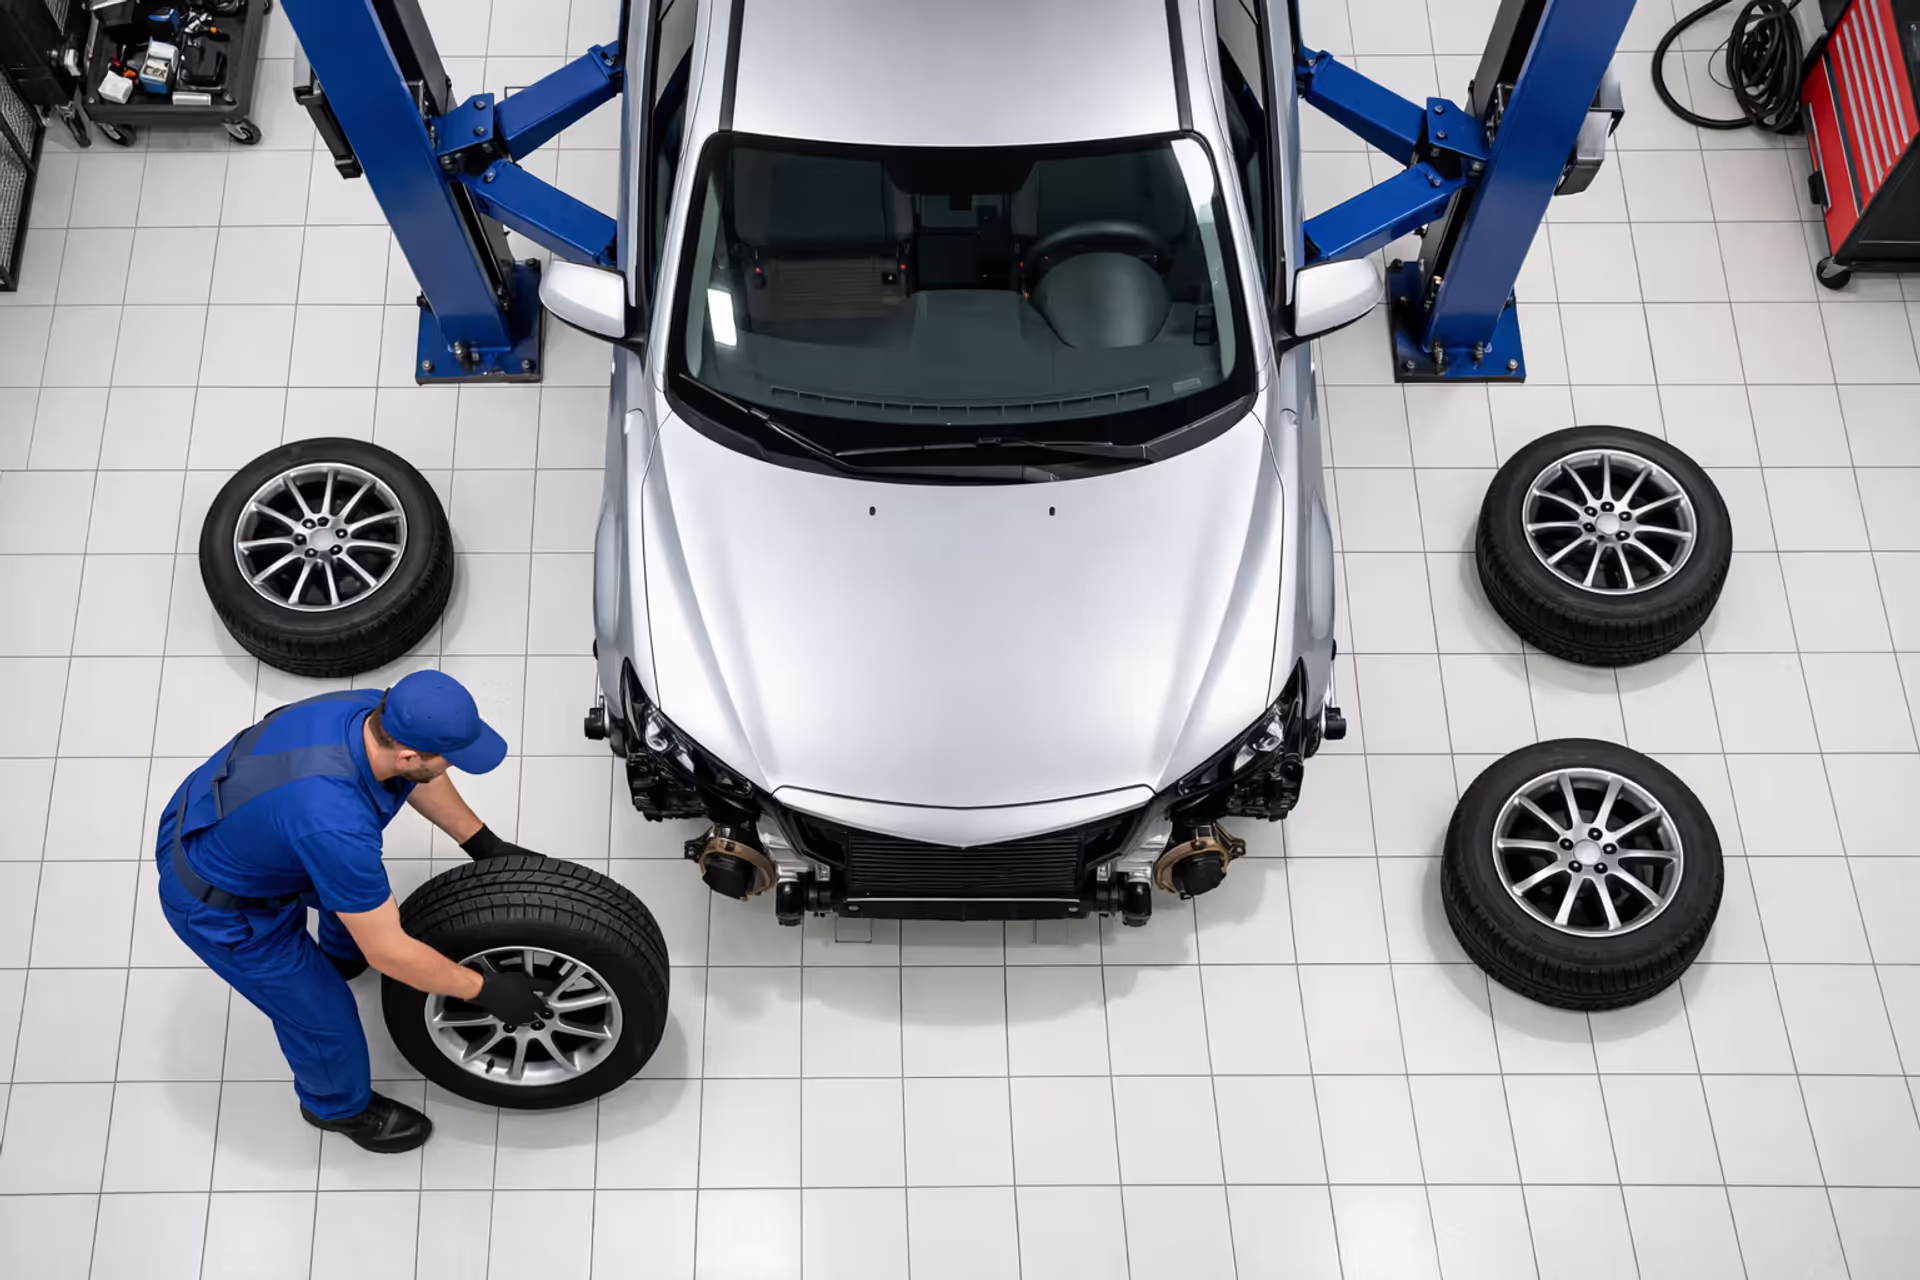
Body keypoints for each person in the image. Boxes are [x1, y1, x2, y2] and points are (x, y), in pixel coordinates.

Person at [155, 669, 547, 1154]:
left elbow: (416, 777)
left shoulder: (371, 711)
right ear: (407, 755)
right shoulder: (334, 824)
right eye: (450, 758)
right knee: (324, 1018)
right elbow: (388, 952)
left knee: (354, 901)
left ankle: (340, 957)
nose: (453, 766)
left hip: (239, 819)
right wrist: (485, 990)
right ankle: (336, 1109)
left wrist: (481, 842)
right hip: (220, 905)